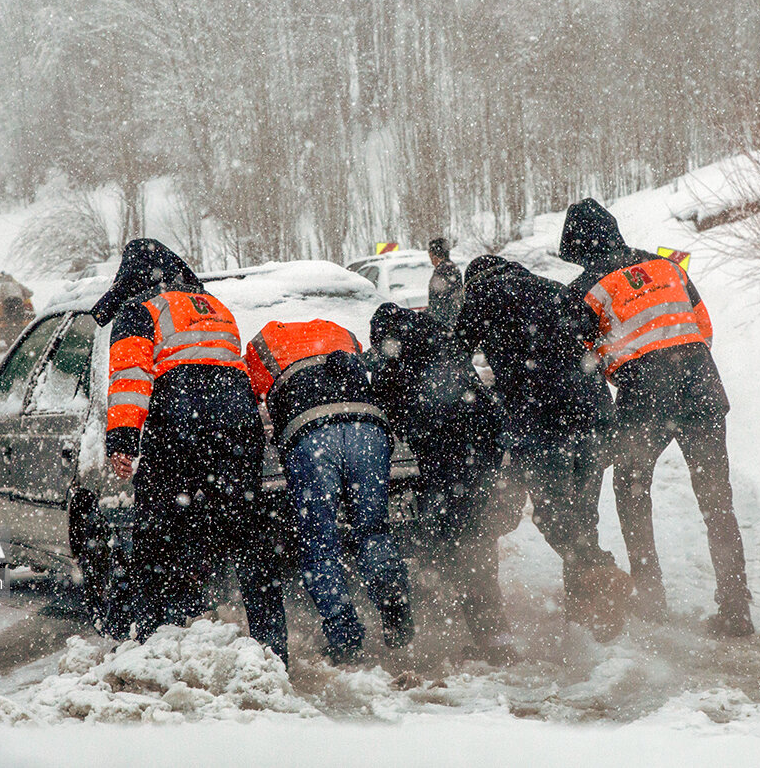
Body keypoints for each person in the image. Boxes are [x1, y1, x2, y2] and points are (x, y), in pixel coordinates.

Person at [559, 198, 753, 638]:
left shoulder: (585, 289)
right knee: (716, 499)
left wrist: (622, 368)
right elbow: (702, 324)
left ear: (576, 246)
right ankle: (735, 607)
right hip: (702, 382)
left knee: (631, 489)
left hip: (646, 392)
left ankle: (651, 599)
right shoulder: (668, 267)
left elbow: (578, 359)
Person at [93, 238, 290, 664]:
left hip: (181, 425)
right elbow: (232, 369)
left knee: (157, 536)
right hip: (238, 430)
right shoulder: (213, 306)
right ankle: (273, 652)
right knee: (248, 538)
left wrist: (123, 442)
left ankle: (155, 643)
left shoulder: (141, 312)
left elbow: (130, 379)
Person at [455, 255, 633, 641]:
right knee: (582, 517)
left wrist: (485, 389)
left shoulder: (481, 295)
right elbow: (589, 333)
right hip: (594, 409)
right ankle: (588, 622)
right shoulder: (554, 288)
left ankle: (599, 569)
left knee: (552, 513)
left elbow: (455, 359)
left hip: (543, 416)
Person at [245, 318, 412, 665]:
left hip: (312, 433)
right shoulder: (341, 331)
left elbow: (256, 398)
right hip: (369, 426)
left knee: (319, 543)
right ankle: (395, 609)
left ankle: (346, 639)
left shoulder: (261, 343)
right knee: (373, 529)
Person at [370, 302, 521, 664]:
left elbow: (389, 406)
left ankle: (494, 644)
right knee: (476, 541)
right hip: (480, 450)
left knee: (463, 543)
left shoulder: (395, 362)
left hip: (445, 459)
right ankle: (493, 636)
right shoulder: (444, 341)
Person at [425, 237, 464, 327]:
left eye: (430, 256)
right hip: (452, 322)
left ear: (433, 255)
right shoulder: (452, 268)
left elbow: (438, 303)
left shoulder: (443, 271)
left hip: (445, 325)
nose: (431, 262)